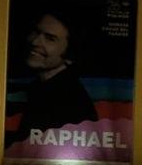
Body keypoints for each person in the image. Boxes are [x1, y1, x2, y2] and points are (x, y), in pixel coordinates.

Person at [13, 9, 98, 141]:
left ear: (70, 53)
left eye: (50, 39)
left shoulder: (70, 99)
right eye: (36, 32)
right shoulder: (43, 86)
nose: (35, 42)